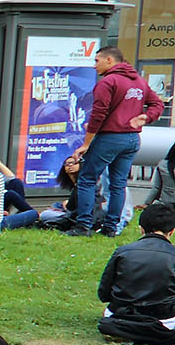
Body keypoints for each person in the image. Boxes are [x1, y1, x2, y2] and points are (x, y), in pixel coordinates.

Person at [68, 44, 166, 237]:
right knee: (118, 183)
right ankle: (111, 227)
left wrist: (87, 143)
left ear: (109, 60)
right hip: (131, 139)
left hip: (110, 138)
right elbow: (157, 103)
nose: (94, 66)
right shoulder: (138, 81)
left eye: (97, 61)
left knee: (87, 179)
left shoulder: (108, 82)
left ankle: (83, 226)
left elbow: (99, 113)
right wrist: (146, 117)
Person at [97, 203, 175, 345]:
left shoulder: (122, 252)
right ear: (172, 231)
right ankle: (152, 334)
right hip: (163, 318)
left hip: (121, 313)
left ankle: (129, 331)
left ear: (141, 229)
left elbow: (104, 293)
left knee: (108, 321)